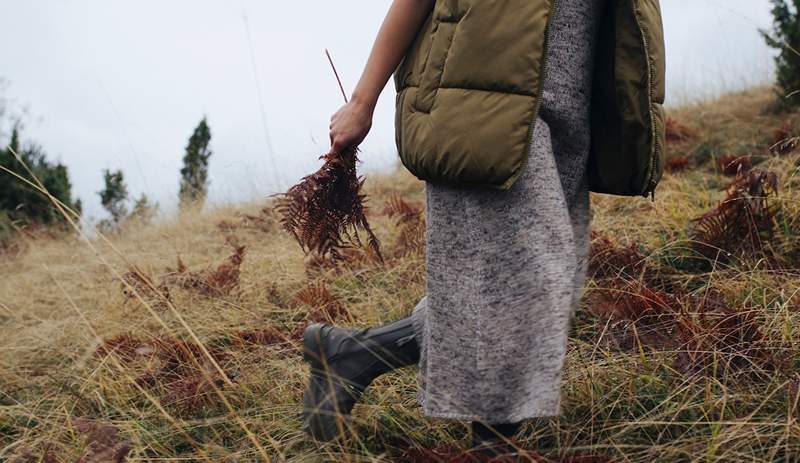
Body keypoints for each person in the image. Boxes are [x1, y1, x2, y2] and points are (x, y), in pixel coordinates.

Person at [301, 0, 666, 456]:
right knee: (526, 284)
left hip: (570, 108)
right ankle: (493, 449)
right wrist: (361, 102)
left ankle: (354, 354)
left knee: (535, 290)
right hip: (481, 108)